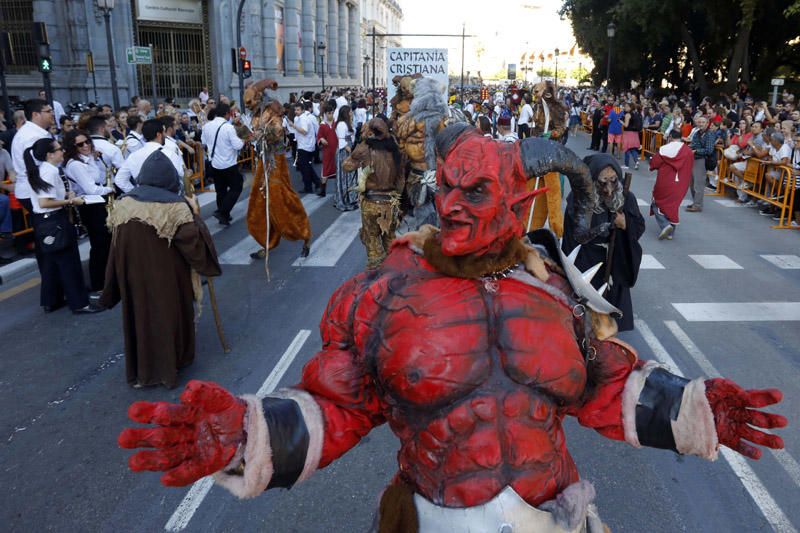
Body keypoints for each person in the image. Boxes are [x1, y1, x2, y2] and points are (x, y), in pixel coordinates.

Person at [118, 125, 786, 532]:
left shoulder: (552, 291)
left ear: (517, 201)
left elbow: (605, 383)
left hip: (551, 520)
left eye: (475, 193)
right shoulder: (386, 293)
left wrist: (695, 408)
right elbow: (336, 404)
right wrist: (248, 431)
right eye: (446, 187)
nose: (451, 204)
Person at [101, 151, 221, 388]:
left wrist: (113, 282)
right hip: (167, 277)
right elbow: (194, 246)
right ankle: (168, 369)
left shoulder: (123, 204)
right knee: (168, 317)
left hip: (134, 277)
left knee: (141, 318)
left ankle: (143, 372)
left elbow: (115, 248)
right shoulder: (175, 207)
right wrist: (196, 215)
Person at [562, 154, 645, 332]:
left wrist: (625, 225)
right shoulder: (578, 199)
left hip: (615, 258)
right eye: (602, 183)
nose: (608, 189)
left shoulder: (626, 197)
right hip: (587, 260)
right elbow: (572, 236)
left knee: (612, 308)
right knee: (587, 312)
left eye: (613, 181)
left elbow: (639, 226)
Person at [24, 138, 100, 314]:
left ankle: (51, 300)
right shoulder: (48, 172)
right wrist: (71, 200)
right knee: (68, 262)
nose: (62, 152)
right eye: (59, 149)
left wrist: (65, 194)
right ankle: (80, 303)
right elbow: (44, 202)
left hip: (46, 221)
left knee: (52, 262)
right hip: (53, 220)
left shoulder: (45, 170)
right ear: (50, 155)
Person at [242, 79, 312, 260]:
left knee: (281, 200)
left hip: (275, 161)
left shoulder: (272, 110)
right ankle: (268, 243)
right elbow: (251, 136)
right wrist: (240, 129)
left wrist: (263, 135)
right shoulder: (257, 112)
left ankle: (303, 233)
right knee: (259, 202)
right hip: (263, 161)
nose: (250, 108)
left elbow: (277, 131)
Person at [342, 117, 405, 269]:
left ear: (370, 132)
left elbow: (346, 166)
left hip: (371, 203)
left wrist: (358, 152)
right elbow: (401, 180)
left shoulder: (365, 148)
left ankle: (376, 279)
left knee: (372, 244)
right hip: (391, 203)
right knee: (390, 240)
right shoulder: (396, 148)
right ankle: (393, 275)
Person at [62, 131, 113, 291]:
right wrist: (109, 189)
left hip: (97, 204)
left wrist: (95, 159)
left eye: (87, 142)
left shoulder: (88, 159)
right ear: (73, 147)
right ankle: (99, 283)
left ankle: (107, 280)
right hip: (90, 206)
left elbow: (98, 177)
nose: (85, 146)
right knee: (99, 245)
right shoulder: (76, 164)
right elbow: (91, 188)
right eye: (80, 144)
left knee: (105, 243)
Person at [201, 103, 246, 225]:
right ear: (226, 114)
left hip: (214, 162)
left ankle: (224, 216)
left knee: (220, 190)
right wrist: (244, 139)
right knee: (237, 187)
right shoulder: (228, 127)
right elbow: (238, 145)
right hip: (229, 163)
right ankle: (222, 211)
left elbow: (203, 142)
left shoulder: (207, 126)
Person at [115, 119, 184, 193]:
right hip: (168, 198)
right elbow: (181, 175)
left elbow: (120, 180)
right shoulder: (169, 153)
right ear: (158, 134)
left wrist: (136, 192)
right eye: (163, 132)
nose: (165, 135)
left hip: (143, 198)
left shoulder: (133, 156)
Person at [649, 130, 694, 240]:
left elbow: (654, 163)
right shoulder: (688, 151)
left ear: (670, 137)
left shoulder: (664, 150)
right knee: (673, 205)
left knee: (656, 203)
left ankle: (665, 225)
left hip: (665, 181)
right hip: (681, 183)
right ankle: (670, 233)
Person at [11, 99, 54, 215]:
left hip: (36, 190)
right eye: (48, 111)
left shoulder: (36, 132)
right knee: (48, 228)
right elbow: (40, 167)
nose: (53, 113)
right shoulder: (31, 136)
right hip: (35, 191)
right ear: (36, 114)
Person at [686, 116, 716, 213]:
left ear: (707, 123)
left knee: (698, 184)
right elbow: (693, 144)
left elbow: (709, 150)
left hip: (702, 159)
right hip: (694, 158)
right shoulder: (697, 133)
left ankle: (698, 205)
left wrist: (696, 151)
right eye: (699, 122)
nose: (701, 124)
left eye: (703, 122)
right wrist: (687, 147)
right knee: (692, 183)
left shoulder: (710, 134)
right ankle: (695, 202)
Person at [333, 105, 358, 211]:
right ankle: (344, 199)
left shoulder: (348, 123)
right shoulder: (341, 124)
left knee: (350, 175)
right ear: (346, 113)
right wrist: (352, 153)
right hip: (344, 152)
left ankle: (351, 198)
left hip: (349, 150)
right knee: (345, 175)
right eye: (350, 112)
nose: (352, 113)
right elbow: (342, 141)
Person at [316, 103, 338, 195]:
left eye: (332, 113)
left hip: (336, 150)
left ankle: (339, 189)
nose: (331, 115)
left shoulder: (336, 123)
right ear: (325, 114)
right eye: (329, 113)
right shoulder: (322, 125)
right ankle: (323, 190)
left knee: (338, 168)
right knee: (325, 169)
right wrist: (321, 139)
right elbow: (319, 136)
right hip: (327, 151)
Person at [621, 103, 641, 170]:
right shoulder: (634, 114)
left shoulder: (627, 114)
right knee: (632, 149)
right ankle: (636, 162)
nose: (625, 107)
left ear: (630, 108)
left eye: (626, 106)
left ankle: (626, 165)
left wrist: (621, 122)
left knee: (627, 149)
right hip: (634, 134)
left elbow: (626, 125)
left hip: (628, 133)